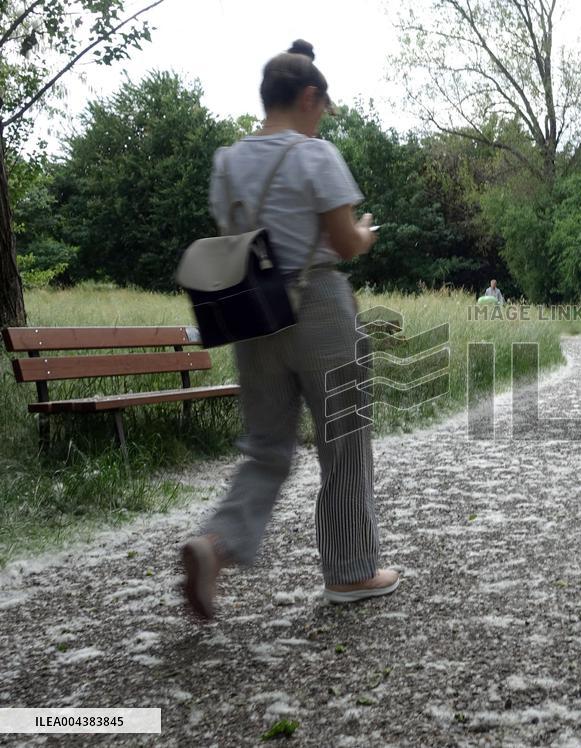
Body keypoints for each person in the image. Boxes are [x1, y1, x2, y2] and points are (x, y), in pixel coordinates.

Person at [180, 39, 399, 621]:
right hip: (319, 306)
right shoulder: (315, 155)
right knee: (344, 442)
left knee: (266, 449)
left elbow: (238, 234)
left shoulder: (228, 162)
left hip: (251, 312)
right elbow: (344, 243)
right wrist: (367, 232)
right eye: (323, 106)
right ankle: (351, 571)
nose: (322, 118)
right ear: (307, 97)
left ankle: (216, 544)